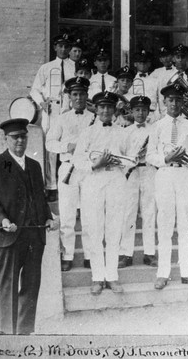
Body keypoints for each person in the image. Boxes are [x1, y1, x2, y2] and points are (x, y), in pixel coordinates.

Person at [0, 118, 55, 335]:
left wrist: (48, 217)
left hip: (34, 235)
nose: (20, 141)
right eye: (15, 137)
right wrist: (3, 220)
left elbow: (39, 198)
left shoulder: (34, 166)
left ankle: (24, 332)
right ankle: (7, 331)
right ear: (6, 139)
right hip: (9, 235)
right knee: (8, 285)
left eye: (23, 136)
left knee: (31, 285)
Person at [146, 83, 188, 290]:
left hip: (185, 174)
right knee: (165, 223)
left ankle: (186, 272)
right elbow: (150, 155)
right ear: (165, 102)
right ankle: (163, 272)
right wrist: (166, 158)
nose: (175, 104)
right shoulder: (157, 126)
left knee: (185, 223)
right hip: (165, 174)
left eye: (179, 100)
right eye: (171, 100)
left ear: (183, 102)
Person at [73, 91, 127, 295]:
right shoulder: (87, 133)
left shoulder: (122, 132)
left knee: (114, 229)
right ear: (95, 109)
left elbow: (130, 158)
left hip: (115, 180)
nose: (105, 111)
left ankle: (111, 276)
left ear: (114, 110)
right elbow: (78, 160)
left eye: (109, 107)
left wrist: (118, 162)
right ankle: (97, 276)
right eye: (102, 107)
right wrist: (95, 164)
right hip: (94, 181)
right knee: (94, 229)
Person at [46, 77, 95, 272]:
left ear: (86, 95)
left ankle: (90, 254)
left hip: (89, 170)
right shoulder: (61, 119)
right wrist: (69, 146)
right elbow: (49, 143)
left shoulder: (94, 118)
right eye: (75, 94)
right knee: (67, 215)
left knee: (90, 214)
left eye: (82, 94)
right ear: (69, 96)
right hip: (68, 168)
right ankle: (67, 254)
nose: (79, 98)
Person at [30, 33, 75, 202]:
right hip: (52, 109)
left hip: (68, 109)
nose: (63, 49)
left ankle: (68, 181)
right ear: (55, 47)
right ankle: (51, 186)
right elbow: (34, 89)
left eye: (66, 46)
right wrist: (42, 103)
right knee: (51, 147)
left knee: (69, 143)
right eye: (60, 46)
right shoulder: (46, 67)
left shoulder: (73, 68)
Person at [118, 96, 158, 268]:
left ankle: (149, 253)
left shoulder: (155, 130)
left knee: (149, 212)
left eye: (143, 110)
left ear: (148, 112)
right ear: (131, 112)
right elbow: (120, 155)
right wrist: (129, 162)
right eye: (137, 110)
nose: (140, 113)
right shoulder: (125, 132)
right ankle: (126, 253)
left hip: (149, 171)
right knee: (129, 213)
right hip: (131, 173)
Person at [149, 46, 177, 118]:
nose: (165, 59)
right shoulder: (156, 72)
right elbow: (151, 91)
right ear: (160, 59)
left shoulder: (177, 71)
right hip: (160, 109)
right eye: (163, 57)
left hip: (174, 106)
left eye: (167, 56)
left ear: (172, 57)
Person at [133, 49, 160, 123]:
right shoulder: (131, 81)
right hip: (135, 116)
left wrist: (157, 117)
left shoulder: (156, 81)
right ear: (135, 64)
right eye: (140, 62)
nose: (142, 64)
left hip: (153, 116)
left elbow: (159, 101)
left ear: (149, 64)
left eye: (145, 62)